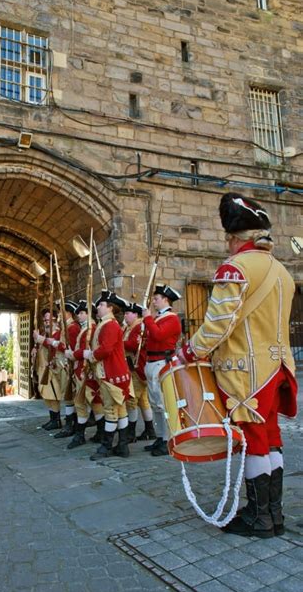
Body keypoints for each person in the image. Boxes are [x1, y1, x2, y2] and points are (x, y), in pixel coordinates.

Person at [178, 193, 297, 538]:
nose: (227, 245)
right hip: (277, 369)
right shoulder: (282, 272)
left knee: (255, 441)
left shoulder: (236, 269)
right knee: (271, 438)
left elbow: (218, 323)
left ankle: (259, 519)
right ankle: (273, 515)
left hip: (246, 372)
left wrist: (190, 351)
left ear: (236, 237)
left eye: (229, 238)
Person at [84, 290, 132, 460]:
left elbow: (106, 349)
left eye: (101, 304)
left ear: (110, 308)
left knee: (111, 410)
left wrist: (90, 355)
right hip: (114, 373)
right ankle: (123, 446)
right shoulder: (105, 324)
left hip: (111, 374)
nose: (98, 307)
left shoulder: (110, 325)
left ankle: (106, 447)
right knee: (120, 410)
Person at [142, 284, 182, 457]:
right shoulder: (159, 318)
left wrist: (147, 319)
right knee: (155, 404)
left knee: (163, 403)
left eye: (156, 299)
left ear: (166, 300)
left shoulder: (172, 319)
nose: (154, 302)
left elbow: (158, 335)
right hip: (152, 361)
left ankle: (168, 438)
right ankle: (160, 436)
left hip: (162, 362)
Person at [64, 300, 104, 449]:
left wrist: (73, 354)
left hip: (86, 370)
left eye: (81, 313)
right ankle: (97, 432)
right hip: (81, 368)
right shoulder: (86, 327)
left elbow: (87, 349)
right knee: (91, 402)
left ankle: (82, 435)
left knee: (86, 402)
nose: (79, 316)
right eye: (79, 313)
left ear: (88, 314)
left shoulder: (91, 328)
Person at [122, 302, 156, 443]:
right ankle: (150, 430)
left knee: (131, 401)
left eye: (128, 313)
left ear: (135, 314)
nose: (125, 316)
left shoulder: (138, 327)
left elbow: (134, 345)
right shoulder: (130, 327)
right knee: (143, 401)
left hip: (137, 367)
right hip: (133, 366)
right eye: (125, 313)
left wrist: (119, 341)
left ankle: (131, 432)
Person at [33, 308, 67, 431]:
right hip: (43, 368)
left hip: (52, 368)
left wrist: (41, 339)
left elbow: (54, 347)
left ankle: (56, 420)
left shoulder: (58, 333)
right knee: (47, 395)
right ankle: (52, 419)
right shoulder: (45, 333)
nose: (47, 322)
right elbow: (41, 344)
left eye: (49, 320)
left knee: (53, 395)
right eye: (45, 320)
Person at [54, 300, 81, 439]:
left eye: (61, 311)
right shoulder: (66, 327)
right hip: (63, 364)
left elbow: (71, 347)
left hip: (69, 364)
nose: (59, 314)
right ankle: (71, 424)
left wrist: (56, 344)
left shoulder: (72, 328)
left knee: (70, 396)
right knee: (67, 395)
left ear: (68, 313)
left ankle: (71, 425)